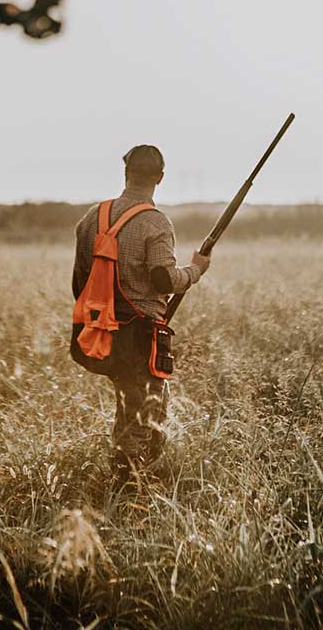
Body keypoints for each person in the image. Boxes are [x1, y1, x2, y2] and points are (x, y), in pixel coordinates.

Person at [71, 144, 210, 486]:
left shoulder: (92, 217)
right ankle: (128, 491)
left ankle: (136, 481)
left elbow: (80, 281)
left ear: (125, 172)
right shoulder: (154, 222)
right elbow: (163, 278)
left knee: (133, 405)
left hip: (99, 331)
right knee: (143, 413)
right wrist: (195, 270)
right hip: (138, 337)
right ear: (160, 178)